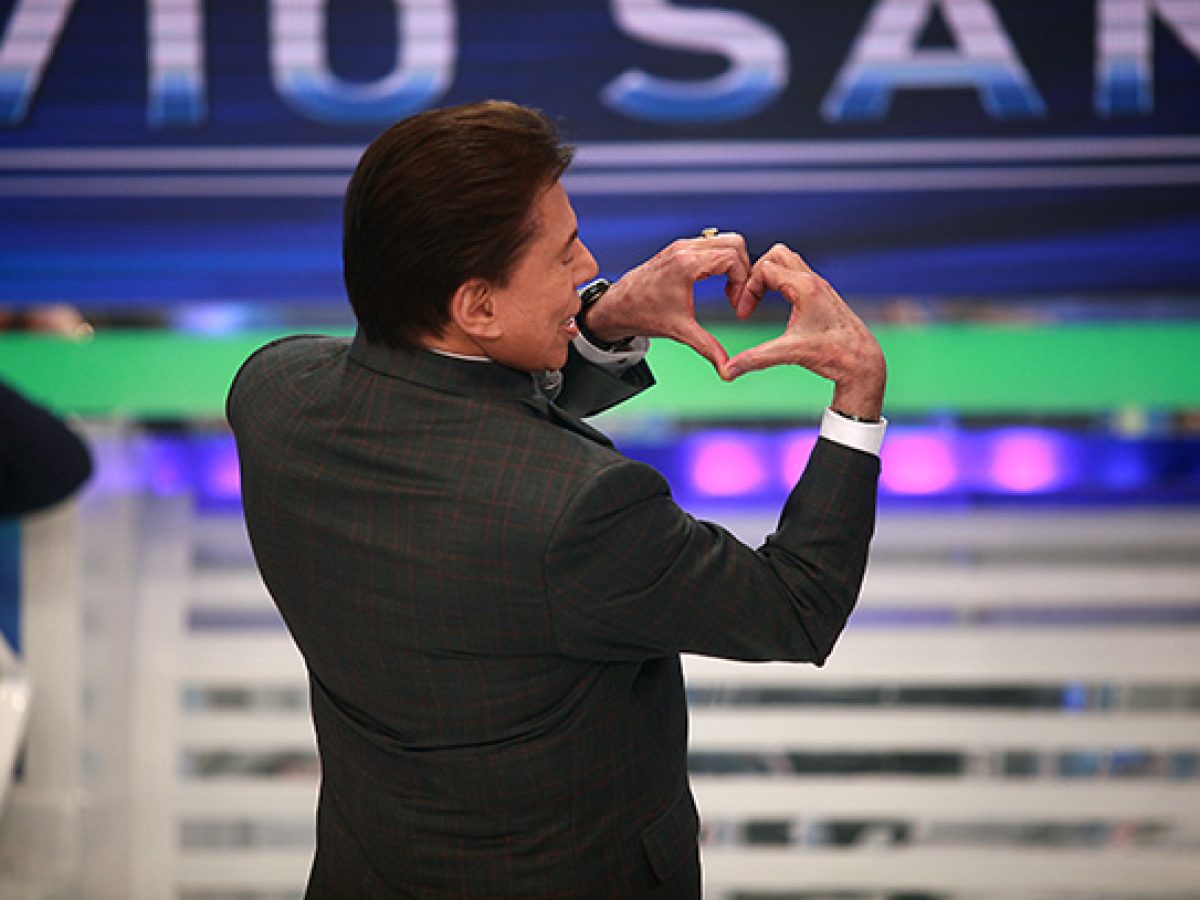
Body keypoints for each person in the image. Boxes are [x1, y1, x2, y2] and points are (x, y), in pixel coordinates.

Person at [227, 100, 886, 898]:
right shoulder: (583, 511)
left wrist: (598, 321)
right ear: (478, 306)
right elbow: (797, 606)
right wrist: (857, 390)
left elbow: (453, 409)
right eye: (565, 252)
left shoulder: (273, 396)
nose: (588, 264)